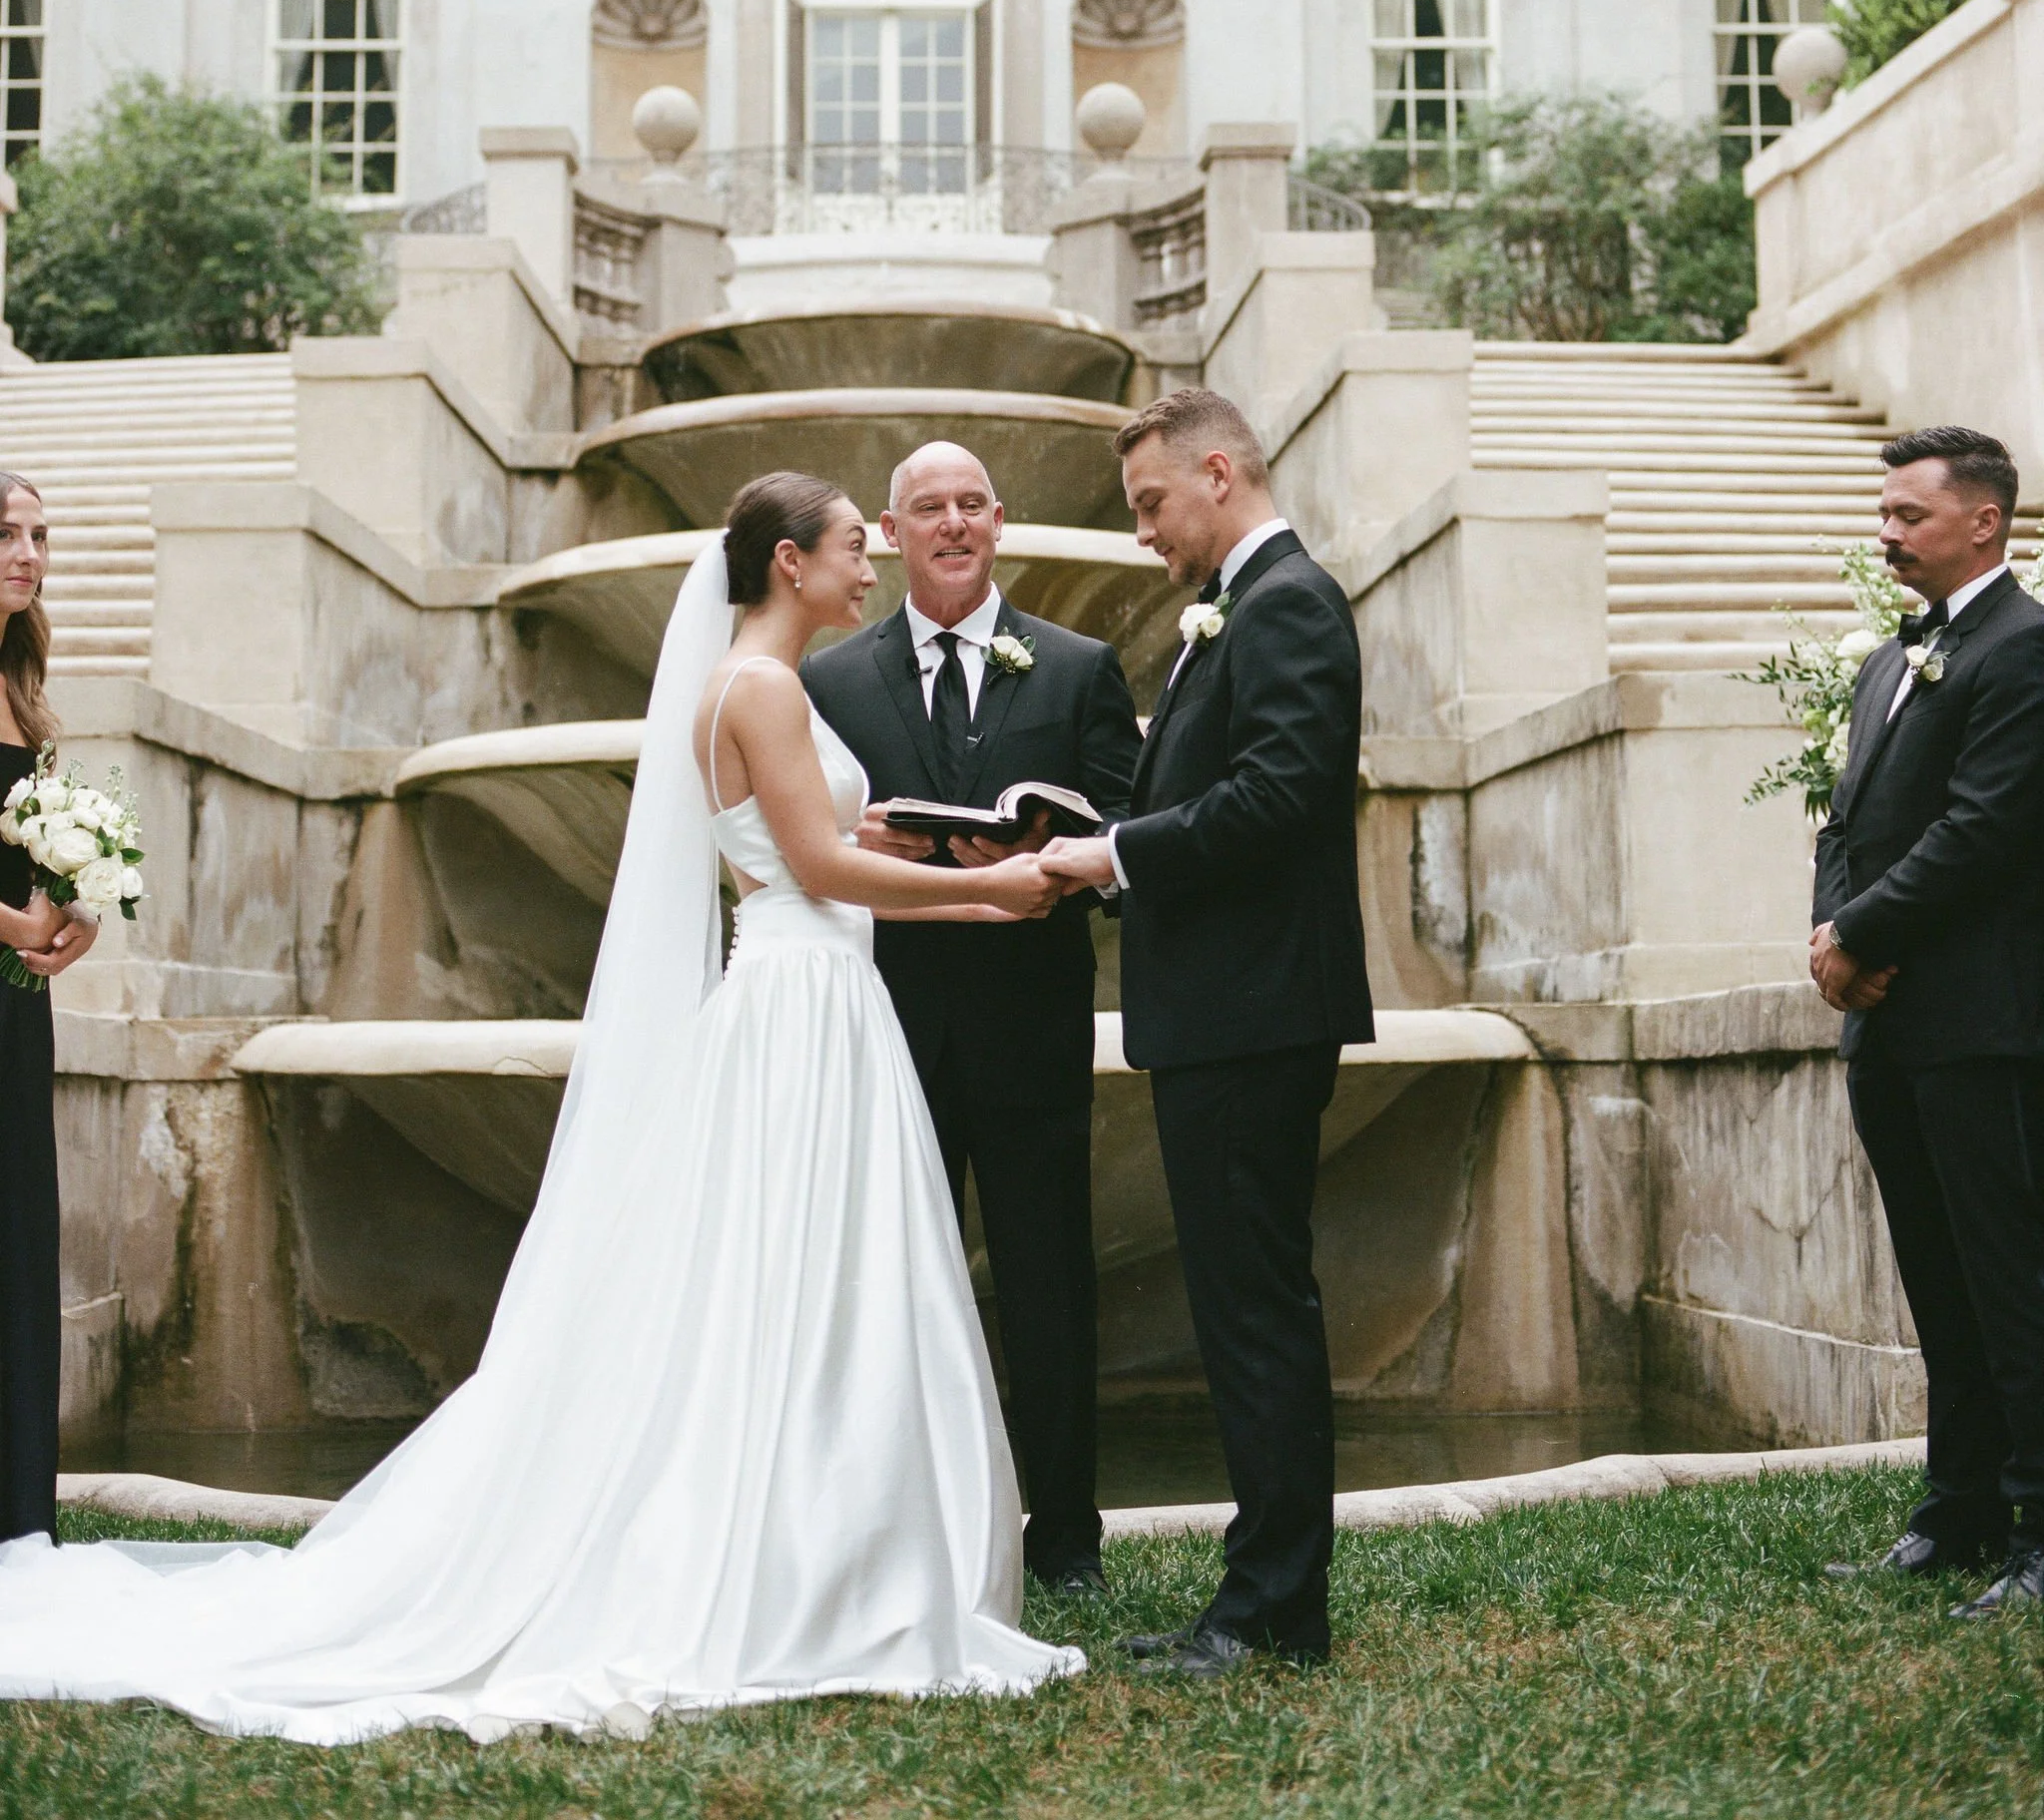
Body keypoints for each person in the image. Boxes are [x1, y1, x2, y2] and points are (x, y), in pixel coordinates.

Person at [0, 471, 1085, 1738]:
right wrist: (996, 891)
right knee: (807, 1286)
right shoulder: (767, 687)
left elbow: (808, 843)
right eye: (855, 544)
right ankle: (804, 1563)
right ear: (788, 563)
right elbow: (814, 864)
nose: (874, 562)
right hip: (805, 1005)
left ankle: (813, 1544)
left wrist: (908, 845)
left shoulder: (740, 683)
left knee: (790, 1287)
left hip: (805, 993)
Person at [1042, 388, 1372, 1677]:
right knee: (1246, 1307)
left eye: (1151, 504)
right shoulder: (1241, 607)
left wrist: (1114, 852)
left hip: (1251, 1017)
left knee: (1255, 1314)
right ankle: (1266, 1594)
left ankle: (1273, 1608)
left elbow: (1285, 793)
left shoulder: (1288, 601)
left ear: (1219, 472)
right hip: (1224, 1015)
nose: (1141, 535)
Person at [803, 440, 1142, 1594]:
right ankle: (898, 1535)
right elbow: (797, 846)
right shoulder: (828, 680)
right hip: (886, 1026)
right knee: (888, 1288)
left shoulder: (1078, 666)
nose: (949, 525)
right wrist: (866, 848)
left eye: (968, 506)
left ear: (999, 522)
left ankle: (1066, 1540)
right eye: (924, 509)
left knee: (1050, 1286)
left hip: (1029, 1025)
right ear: (892, 535)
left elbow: (1132, 826)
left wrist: (1056, 857)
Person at [1812, 423, 2044, 1618]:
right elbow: (1842, 823)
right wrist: (1828, 941)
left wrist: (1860, 939)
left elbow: (1984, 830)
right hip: (1889, 1027)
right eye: (1884, 512)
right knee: (1936, 1285)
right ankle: (1956, 1512)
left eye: (1907, 516)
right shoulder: (1883, 662)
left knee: (2014, 1284)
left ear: (1984, 521)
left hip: (1984, 1025)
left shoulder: (2026, 649)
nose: (1885, 533)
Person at [0, 471, 100, 1548]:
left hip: (15, 1007)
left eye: (39, 532)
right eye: (6, 534)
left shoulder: (20, 686)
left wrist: (79, 909)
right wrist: (11, 927)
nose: (28, 552)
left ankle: (17, 1512)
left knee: (16, 1232)